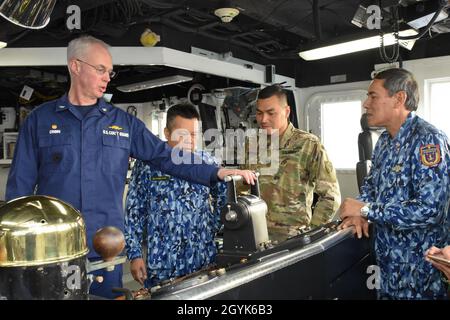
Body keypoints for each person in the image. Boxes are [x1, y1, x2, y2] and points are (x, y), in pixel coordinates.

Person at [5, 35, 255, 299]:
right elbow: (19, 190)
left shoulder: (123, 124)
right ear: (75, 66)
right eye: (100, 69)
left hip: (107, 247)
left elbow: (165, 156)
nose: (107, 77)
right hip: (54, 248)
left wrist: (214, 172)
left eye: (110, 72)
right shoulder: (39, 121)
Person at [339, 68, 450, 299]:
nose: (366, 104)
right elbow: (371, 186)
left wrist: (367, 210)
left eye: (373, 96)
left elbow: (430, 211)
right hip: (387, 266)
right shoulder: (384, 143)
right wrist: (359, 211)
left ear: (399, 99)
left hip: (420, 271)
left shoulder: (428, 140)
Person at [125, 103, 227, 287]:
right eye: (182, 134)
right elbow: (134, 211)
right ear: (166, 133)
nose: (189, 141)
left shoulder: (206, 162)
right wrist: (135, 254)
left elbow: (222, 198)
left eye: (194, 134)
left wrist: (212, 227)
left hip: (201, 258)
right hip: (163, 262)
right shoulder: (147, 165)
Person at [240, 84, 341, 243]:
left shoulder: (308, 144)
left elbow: (330, 196)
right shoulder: (252, 144)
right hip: (257, 235)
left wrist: (312, 234)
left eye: (270, 113)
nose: (263, 119)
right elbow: (243, 189)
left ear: (286, 111)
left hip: (294, 239)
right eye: (259, 113)